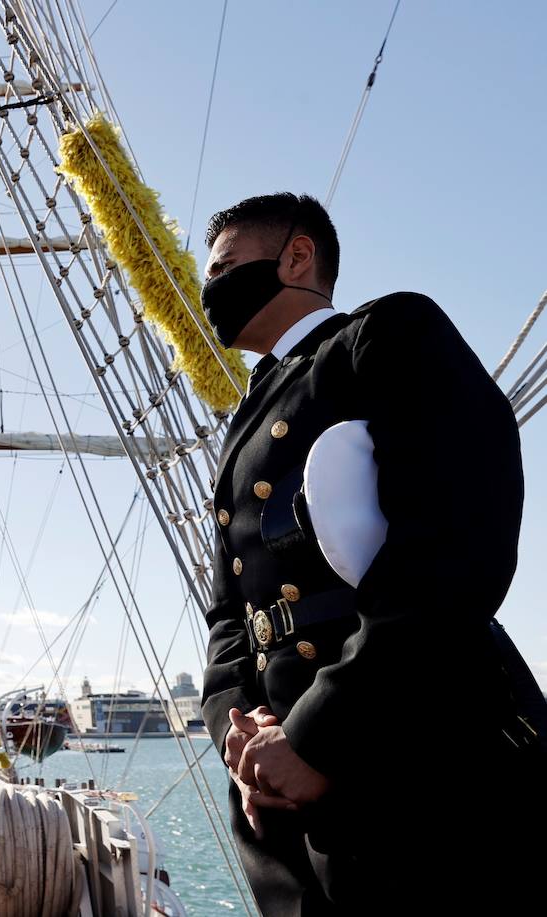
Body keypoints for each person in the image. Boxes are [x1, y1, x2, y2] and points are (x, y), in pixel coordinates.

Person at [198, 192, 545, 915]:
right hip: (278, 791)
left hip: (410, 756)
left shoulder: (384, 336)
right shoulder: (242, 426)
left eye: (226, 266)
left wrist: (319, 734)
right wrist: (242, 737)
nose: (210, 290)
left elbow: (459, 538)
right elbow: (231, 614)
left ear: (298, 256)